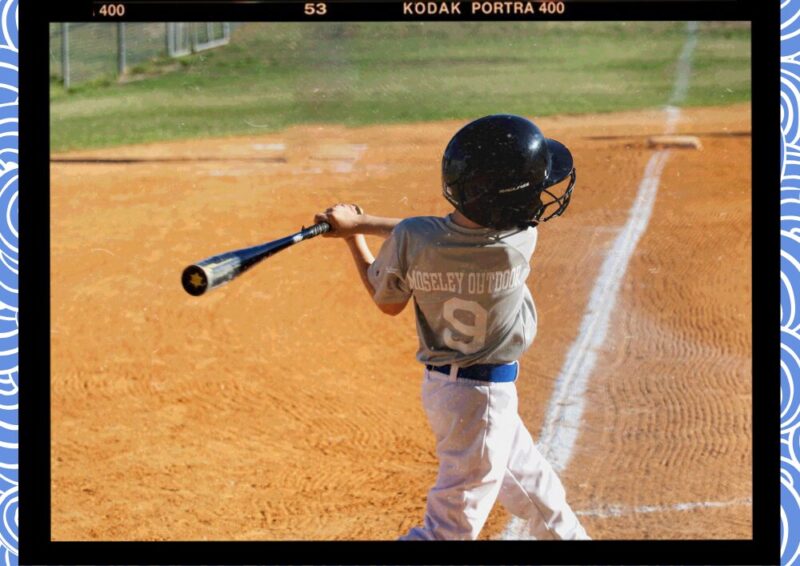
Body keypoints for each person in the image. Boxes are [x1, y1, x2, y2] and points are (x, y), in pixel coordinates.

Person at [314, 114, 590, 541]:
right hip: (483, 399)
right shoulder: (518, 241)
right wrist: (365, 225)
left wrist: (353, 234)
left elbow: (389, 299)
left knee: (538, 493)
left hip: (452, 394)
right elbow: (434, 235)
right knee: (448, 532)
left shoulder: (415, 239)